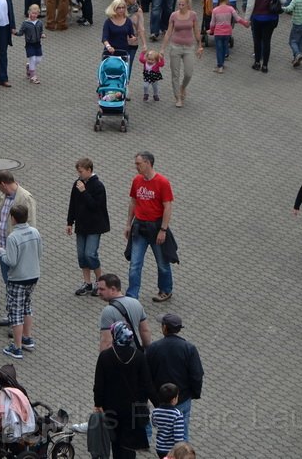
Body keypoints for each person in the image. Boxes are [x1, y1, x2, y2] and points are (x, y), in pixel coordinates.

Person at [0, 170, 38, 329]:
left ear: (3, 184)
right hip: (2, 250)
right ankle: (12, 316)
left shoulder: (25, 198)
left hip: (17, 253)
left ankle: (18, 324)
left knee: (18, 290)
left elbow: (31, 226)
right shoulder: (4, 196)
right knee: (9, 286)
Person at [93, 322, 153, 459]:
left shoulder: (105, 356)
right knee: (129, 443)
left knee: (115, 441)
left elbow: (99, 384)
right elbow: (147, 383)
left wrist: (98, 404)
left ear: (115, 335)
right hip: (132, 409)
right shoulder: (138, 356)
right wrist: (160, 404)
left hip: (111, 408)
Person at [144, 314, 203, 442]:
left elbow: (146, 374)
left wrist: (152, 395)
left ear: (165, 328)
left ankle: (164, 450)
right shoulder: (189, 348)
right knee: (182, 431)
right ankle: (181, 453)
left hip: (161, 398)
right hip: (183, 397)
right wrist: (194, 393)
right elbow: (197, 375)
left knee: (164, 430)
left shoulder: (153, 348)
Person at [126, 152, 175, 303]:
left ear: (148, 163)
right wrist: (128, 223)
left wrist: (163, 230)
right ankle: (132, 295)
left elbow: (167, 207)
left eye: (138, 164)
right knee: (135, 264)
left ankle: (165, 290)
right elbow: (133, 202)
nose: (136, 167)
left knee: (162, 262)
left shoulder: (162, 182)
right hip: (139, 227)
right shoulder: (137, 180)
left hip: (155, 227)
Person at [0, 203, 43, 359]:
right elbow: (39, 252)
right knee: (27, 307)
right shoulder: (35, 232)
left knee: (15, 313)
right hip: (33, 275)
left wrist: (2, 252)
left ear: (13, 219)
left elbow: (11, 261)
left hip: (18, 279)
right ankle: (27, 338)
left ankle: (16, 348)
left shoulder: (13, 237)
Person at [66, 158, 109, 297]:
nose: (79, 175)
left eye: (81, 172)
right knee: (81, 255)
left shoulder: (98, 186)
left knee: (90, 254)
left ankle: (99, 282)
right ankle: (87, 283)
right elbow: (72, 204)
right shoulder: (77, 184)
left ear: (89, 170)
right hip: (81, 226)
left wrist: (84, 192)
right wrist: (69, 222)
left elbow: (96, 207)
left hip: (94, 226)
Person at [159, 0, 202, 106]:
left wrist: (200, 45)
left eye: (183, 4)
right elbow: (168, 32)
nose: (180, 6)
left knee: (188, 73)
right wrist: (162, 49)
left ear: (188, 4)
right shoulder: (173, 15)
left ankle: (183, 87)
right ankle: (178, 97)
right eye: (179, 4)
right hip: (175, 47)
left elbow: (197, 30)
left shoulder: (193, 15)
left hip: (188, 47)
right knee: (175, 74)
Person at [247, 0, 287, 73]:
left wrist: (246, 19)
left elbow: (250, 5)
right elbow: (283, 0)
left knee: (257, 40)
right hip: (271, 18)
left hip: (257, 18)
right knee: (267, 40)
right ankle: (265, 65)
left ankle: (257, 62)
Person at [96, 273, 152, 350]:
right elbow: (145, 330)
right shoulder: (136, 302)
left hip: (118, 356)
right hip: (135, 353)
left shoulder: (108, 311)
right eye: (98, 288)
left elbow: (106, 341)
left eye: (102, 289)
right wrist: (146, 349)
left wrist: (103, 360)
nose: (98, 292)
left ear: (113, 289)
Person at [207, 0, 248, 73]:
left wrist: (211, 31)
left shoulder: (215, 10)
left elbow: (212, 23)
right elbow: (238, 19)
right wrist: (245, 24)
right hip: (227, 32)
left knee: (219, 49)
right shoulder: (230, 9)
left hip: (218, 33)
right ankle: (222, 63)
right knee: (224, 47)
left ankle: (220, 66)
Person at [151, 383, 185, 458]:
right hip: (171, 451)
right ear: (173, 400)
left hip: (159, 448)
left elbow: (154, 424)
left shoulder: (155, 411)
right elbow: (178, 438)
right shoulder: (177, 415)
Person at [16, 4, 45, 83]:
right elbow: (21, 33)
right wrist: (15, 33)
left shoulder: (39, 23)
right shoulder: (25, 23)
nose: (34, 15)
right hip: (29, 44)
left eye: (36, 13)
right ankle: (33, 76)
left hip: (37, 43)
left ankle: (29, 66)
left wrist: (42, 34)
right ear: (29, 12)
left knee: (38, 59)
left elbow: (41, 31)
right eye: (32, 13)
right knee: (32, 58)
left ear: (38, 14)